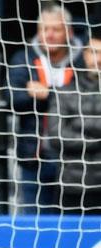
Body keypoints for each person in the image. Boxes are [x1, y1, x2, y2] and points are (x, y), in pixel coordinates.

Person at [8, 3, 83, 214]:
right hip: (35, 156)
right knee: (34, 222)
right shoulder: (23, 58)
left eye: (56, 29)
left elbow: (88, 99)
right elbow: (13, 98)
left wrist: (48, 92)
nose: (49, 35)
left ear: (69, 31)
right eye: (44, 29)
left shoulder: (83, 59)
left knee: (72, 227)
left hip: (77, 160)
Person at [48, 34, 101, 214]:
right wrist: (96, 141)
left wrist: (78, 125)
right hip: (73, 187)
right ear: (85, 55)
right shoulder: (65, 92)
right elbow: (57, 136)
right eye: (94, 52)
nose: (98, 59)